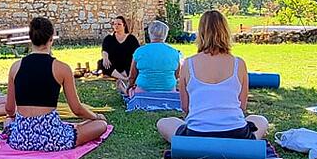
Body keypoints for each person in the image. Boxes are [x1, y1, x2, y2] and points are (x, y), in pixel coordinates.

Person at [157, 10, 269, 142]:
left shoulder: (188, 63)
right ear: (225, 32)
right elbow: (242, 106)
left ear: (201, 33)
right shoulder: (239, 63)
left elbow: (185, 107)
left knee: (164, 123)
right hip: (236, 134)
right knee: (260, 120)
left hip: (196, 134)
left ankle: (191, 144)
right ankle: (244, 145)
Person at [5, 16, 107, 151]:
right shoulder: (62, 68)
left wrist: (18, 121)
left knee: (7, 121)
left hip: (20, 139)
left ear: (31, 39)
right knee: (101, 125)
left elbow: (9, 109)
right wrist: (96, 116)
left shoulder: (15, 67)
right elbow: (76, 109)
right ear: (51, 39)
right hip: (52, 138)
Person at [126, 20, 182, 96]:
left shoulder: (140, 51)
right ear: (165, 34)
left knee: (130, 90)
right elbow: (177, 74)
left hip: (143, 91)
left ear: (149, 33)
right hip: (168, 91)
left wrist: (129, 88)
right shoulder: (174, 52)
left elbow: (132, 76)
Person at [99, 15, 140, 91]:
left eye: (119, 24)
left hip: (127, 64)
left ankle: (121, 76)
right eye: (115, 24)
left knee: (135, 65)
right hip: (114, 64)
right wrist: (105, 58)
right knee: (101, 63)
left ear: (124, 25)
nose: (116, 26)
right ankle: (124, 78)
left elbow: (137, 53)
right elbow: (104, 50)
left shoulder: (131, 38)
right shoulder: (109, 38)